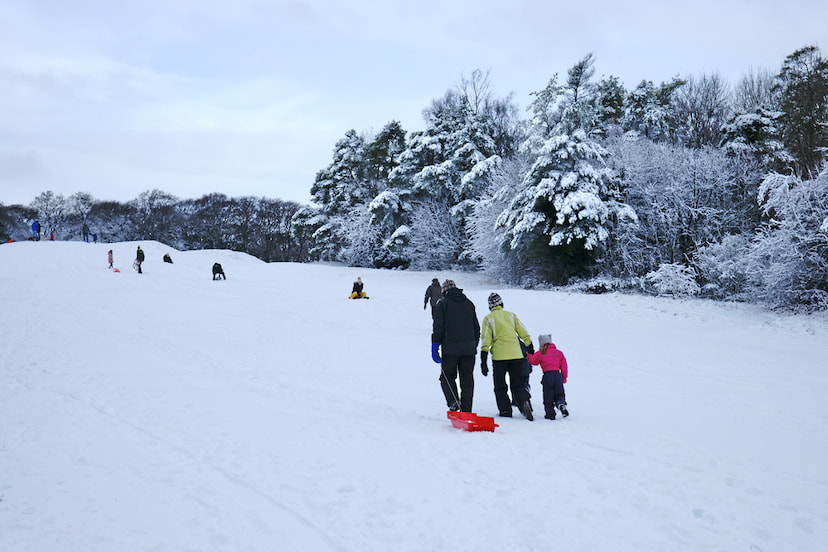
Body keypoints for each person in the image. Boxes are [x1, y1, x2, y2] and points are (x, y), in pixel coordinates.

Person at [480, 292, 535, 420]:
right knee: (518, 383)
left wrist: (483, 360)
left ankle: (505, 410)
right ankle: (523, 402)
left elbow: (485, 340)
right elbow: (523, 331)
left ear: (490, 307)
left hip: (499, 357)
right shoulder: (511, 315)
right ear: (502, 304)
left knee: (500, 385)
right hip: (516, 355)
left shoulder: (488, 319)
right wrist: (529, 345)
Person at [431, 279, 480, 413]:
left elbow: (438, 327)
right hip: (469, 351)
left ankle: (454, 402)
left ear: (444, 291)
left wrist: (435, 345)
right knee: (467, 380)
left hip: (450, 349)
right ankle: (467, 410)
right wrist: (473, 344)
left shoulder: (443, 304)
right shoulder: (469, 304)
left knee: (446, 376)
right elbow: (476, 328)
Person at [526, 334, 569, 420]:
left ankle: (550, 414)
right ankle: (561, 404)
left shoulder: (541, 353)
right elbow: (564, 365)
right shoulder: (559, 353)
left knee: (548, 396)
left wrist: (528, 354)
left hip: (547, 376)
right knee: (559, 393)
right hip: (557, 375)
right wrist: (564, 377)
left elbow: (533, 361)